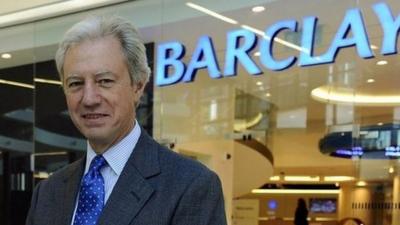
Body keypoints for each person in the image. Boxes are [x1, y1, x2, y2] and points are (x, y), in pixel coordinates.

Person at [26, 16, 227, 225]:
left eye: (104, 81)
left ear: (138, 86)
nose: (89, 98)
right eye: (76, 83)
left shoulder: (191, 185)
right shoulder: (47, 192)